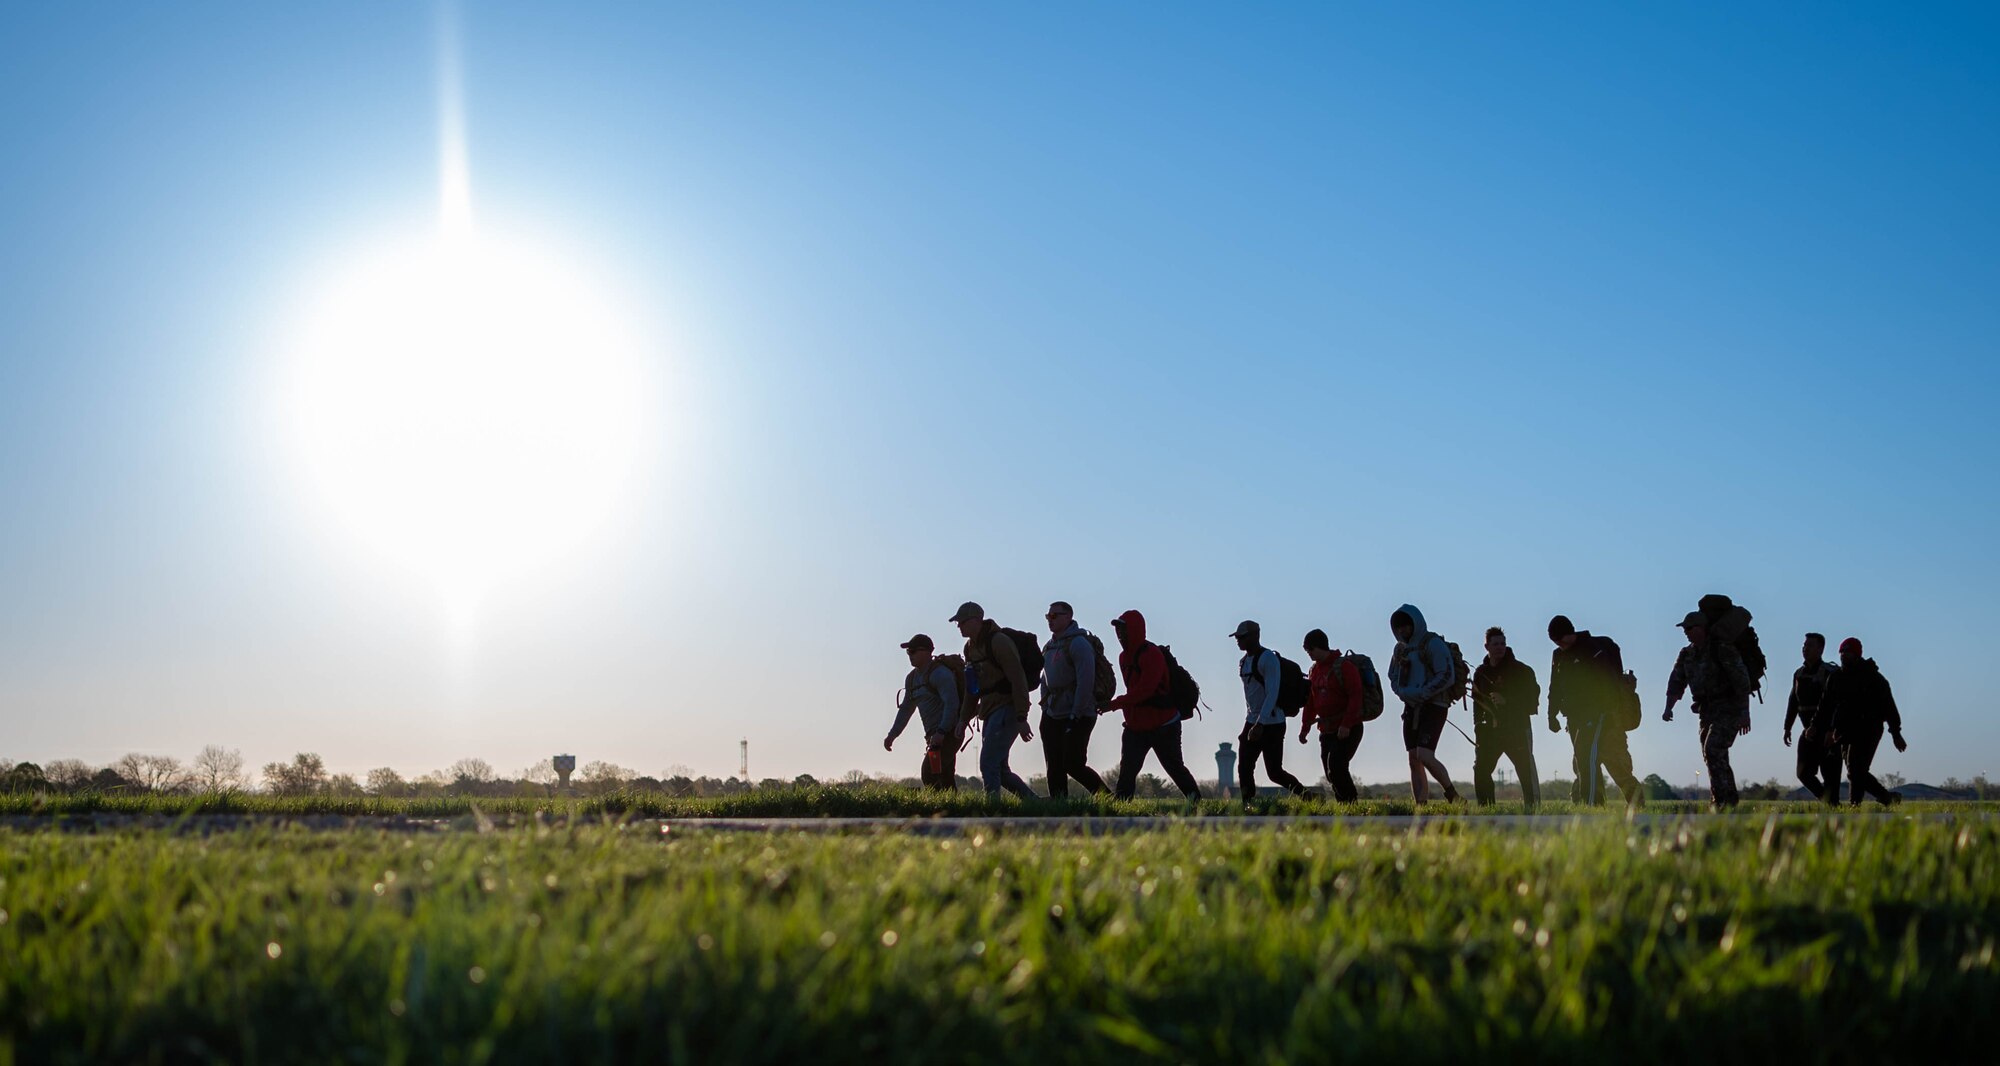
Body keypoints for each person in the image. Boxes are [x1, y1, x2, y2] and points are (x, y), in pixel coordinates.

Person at [1101, 610, 1202, 800]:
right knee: (1128, 769)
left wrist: (1114, 704)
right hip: (1136, 726)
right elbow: (1134, 693)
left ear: (1135, 630)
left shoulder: (1152, 654)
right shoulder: (1123, 657)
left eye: (1123, 629)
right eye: (1118, 630)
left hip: (1163, 724)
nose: (1120, 634)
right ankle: (1120, 806)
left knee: (1174, 767)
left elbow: (1144, 691)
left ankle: (1195, 802)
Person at [1547, 615, 1640, 807]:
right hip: (1575, 716)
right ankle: (1592, 804)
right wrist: (1552, 714)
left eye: (1561, 640)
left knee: (1614, 763)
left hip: (1603, 716)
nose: (1559, 644)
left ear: (1570, 633)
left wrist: (1604, 712)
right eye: (1555, 642)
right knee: (1583, 761)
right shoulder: (1559, 655)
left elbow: (1609, 681)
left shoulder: (1593, 649)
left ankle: (1635, 805)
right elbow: (1554, 687)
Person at [1664, 611, 1753, 810]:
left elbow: (1741, 681)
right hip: (1706, 710)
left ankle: (1720, 800)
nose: (1686, 632)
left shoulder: (1722, 649)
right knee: (1713, 753)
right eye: (1684, 629)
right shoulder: (1687, 654)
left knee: (1713, 749)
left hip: (1728, 706)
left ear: (1701, 629)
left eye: (1690, 628)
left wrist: (1744, 713)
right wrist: (1668, 708)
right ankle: (1729, 800)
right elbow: (1676, 682)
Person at [950, 601, 1037, 800]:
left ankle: (992, 810)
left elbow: (1018, 679)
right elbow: (972, 689)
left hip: (1007, 708)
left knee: (988, 762)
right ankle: (1034, 804)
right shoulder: (969, 648)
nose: (959, 626)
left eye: (962, 622)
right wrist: (963, 720)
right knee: (1001, 770)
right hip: (989, 711)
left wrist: (1021, 716)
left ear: (976, 620)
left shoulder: (999, 642)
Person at [1387, 605, 1463, 804]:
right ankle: (1420, 805)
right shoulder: (1400, 649)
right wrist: (1403, 693)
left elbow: (1446, 675)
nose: (1401, 631)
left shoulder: (1433, 643)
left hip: (1435, 704)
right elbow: (1392, 676)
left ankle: (1452, 795)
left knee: (1425, 755)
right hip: (1411, 706)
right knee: (1413, 758)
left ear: (1415, 623)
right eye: (1398, 628)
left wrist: (1424, 692)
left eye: (1405, 626)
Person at [1823, 637, 1907, 807]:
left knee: (1855, 768)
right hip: (1845, 730)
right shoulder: (1836, 678)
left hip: (1869, 729)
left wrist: (1896, 734)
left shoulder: (1874, 678)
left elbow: (1889, 707)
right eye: (1842, 652)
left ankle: (1856, 804)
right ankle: (1887, 798)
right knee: (1856, 771)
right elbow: (1826, 705)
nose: (1843, 655)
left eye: (1848, 652)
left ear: (1857, 654)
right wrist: (1828, 729)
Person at [1233, 620, 1310, 803]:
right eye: (1237, 637)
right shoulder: (1243, 662)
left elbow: (1272, 693)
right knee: (1244, 767)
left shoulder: (1268, 658)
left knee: (1274, 772)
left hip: (1272, 723)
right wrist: (1253, 721)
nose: (1238, 640)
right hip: (1252, 721)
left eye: (1242, 637)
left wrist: (1260, 722)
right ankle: (1247, 804)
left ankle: (1307, 796)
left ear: (1255, 636)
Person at [1038, 601, 1109, 798]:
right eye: (1048, 616)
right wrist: (1044, 707)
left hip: (1079, 714)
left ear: (1068, 617)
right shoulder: (1049, 646)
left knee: (1073, 764)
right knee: (1054, 764)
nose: (1050, 620)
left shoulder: (1079, 644)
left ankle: (1106, 798)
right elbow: (1045, 679)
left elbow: (1086, 681)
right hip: (1052, 713)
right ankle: (1059, 803)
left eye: (1055, 616)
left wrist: (1076, 713)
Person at [1470, 626, 1541, 808]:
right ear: (1487, 646)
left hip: (1517, 728)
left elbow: (1532, 703)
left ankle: (1533, 807)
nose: (1499, 647)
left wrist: (1507, 700)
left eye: (1502, 643)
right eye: (1495, 644)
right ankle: (1486, 808)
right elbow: (1477, 704)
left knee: (1525, 769)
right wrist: (1478, 725)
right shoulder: (1480, 673)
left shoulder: (1522, 671)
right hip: (1490, 732)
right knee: (1481, 769)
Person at [885, 634, 962, 790]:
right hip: (933, 736)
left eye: (912, 651)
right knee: (945, 776)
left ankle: (939, 811)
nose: (909, 656)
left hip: (949, 733)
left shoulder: (940, 674)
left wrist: (941, 731)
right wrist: (892, 734)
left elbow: (952, 704)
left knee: (929, 774)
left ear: (926, 652)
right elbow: (906, 709)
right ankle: (954, 811)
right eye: (908, 653)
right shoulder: (912, 678)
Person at [1298, 628, 1365, 803]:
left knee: (1336, 767)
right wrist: (1305, 728)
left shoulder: (1344, 667)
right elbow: (1310, 703)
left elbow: (1356, 696)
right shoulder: (1314, 671)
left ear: (1319, 647)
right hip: (1326, 730)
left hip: (1348, 728)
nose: (1309, 654)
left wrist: (1347, 724)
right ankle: (1344, 805)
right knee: (1330, 773)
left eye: (1310, 650)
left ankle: (1351, 804)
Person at [1783, 633, 1842, 803]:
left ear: (1821, 649)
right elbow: (1793, 701)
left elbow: (1835, 705)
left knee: (1831, 776)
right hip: (1808, 732)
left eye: (1810, 646)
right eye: (1804, 645)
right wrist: (1787, 727)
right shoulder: (1799, 674)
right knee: (1803, 773)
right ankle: (1826, 799)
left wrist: (1831, 730)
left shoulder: (1830, 673)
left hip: (1828, 733)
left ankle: (1833, 806)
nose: (1805, 649)